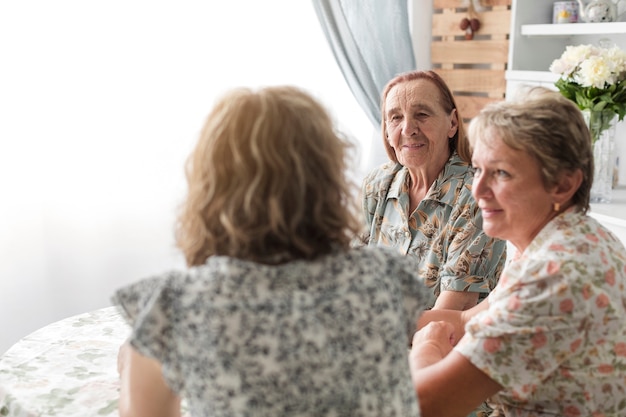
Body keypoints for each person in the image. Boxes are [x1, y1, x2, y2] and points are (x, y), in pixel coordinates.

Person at [112, 85, 434, 417]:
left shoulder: (175, 307)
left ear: (210, 186)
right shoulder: (387, 277)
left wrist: (132, 368)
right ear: (327, 179)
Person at [410, 86, 626, 417]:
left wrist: (429, 345)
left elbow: (425, 406)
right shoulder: (570, 238)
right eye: (479, 169)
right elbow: (468, 319)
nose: (477, 189)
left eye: (501, 173)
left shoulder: (551, 277)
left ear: (563, 184)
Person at [360, 70, 507, 311]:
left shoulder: (479, 196)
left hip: (441, 343)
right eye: (395, 117)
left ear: (452, 123)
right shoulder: (376, 185)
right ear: (386, 130)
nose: (408, 128)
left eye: (422, 114)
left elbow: (448, 315)